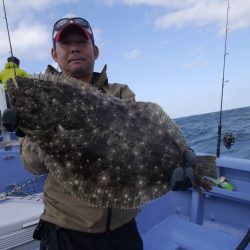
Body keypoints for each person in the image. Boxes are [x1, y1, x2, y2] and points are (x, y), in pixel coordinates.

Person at [19, 15, 143, 250]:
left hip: (123, 230)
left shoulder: (120, 94)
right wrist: (36, 130)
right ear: (55, 55)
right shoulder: (41, 97)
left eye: (81, 42)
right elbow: (34, 165)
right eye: (66, 43)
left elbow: (138, 140)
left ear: (95, 51)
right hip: (65, 231)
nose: (74, 48)